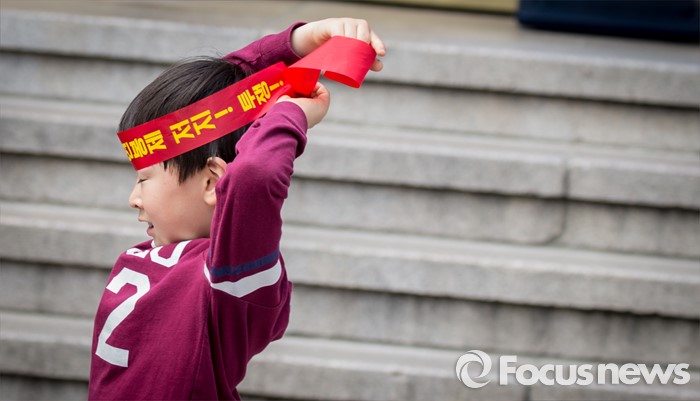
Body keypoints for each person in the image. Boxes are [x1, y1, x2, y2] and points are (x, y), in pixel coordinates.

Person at [88, 18, 385, 400]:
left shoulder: (233, 274)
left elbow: (255, 175)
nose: (134, 198)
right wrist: (294, 45)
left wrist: (289, 113)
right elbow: (208, 106)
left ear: (213, 182)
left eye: (144, 179)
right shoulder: (163, 254)